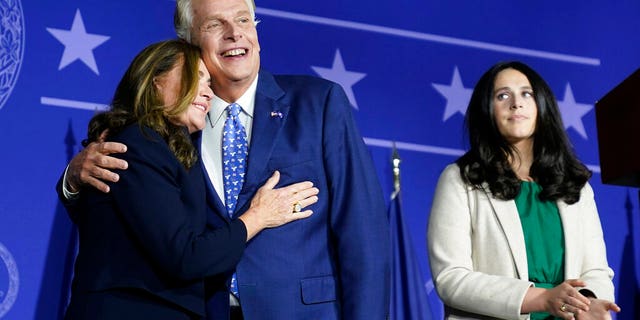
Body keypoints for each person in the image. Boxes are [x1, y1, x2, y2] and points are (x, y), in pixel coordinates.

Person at [58, 0, 391, 319]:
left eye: (244, 19)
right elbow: (128, 220)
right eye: (215, 24)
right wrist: (73, 181)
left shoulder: (318, 104)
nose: (235, 32)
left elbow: (363, 234)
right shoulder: (171, 128)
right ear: (188, 42)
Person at [60, 39, 319, 319]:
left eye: (209, 84)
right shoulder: (137, 144)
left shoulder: (170, 149)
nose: (208, 93)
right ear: (155, 80)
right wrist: (259, 216)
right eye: (196, 78)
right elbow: (185, 256)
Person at [427, 61, 621, 320]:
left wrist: (589, 302)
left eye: (526, 94)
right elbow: (451, 278)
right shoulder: (459, 180)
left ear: (542, 105)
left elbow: (596, 270)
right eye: (502, 95)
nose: (516, 103)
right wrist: (542, 298)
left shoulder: (576, 186)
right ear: (487, 110)